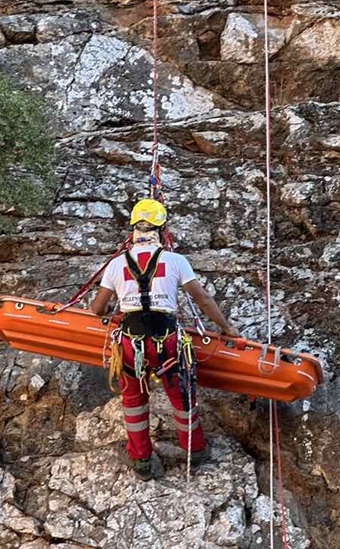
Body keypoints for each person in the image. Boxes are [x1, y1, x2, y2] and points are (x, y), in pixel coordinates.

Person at [90, 197, 239, 480]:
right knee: (181, 397)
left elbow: (97, 309)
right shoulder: (175, 261)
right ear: (162, 230)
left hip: (130, 344)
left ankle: (142, 460)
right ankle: (194, 452)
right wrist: (226, 328)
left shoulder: (116, 264)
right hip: (167, 342)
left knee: (134, 400)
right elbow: (203, 299)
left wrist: (113, 306)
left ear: (134, 229)